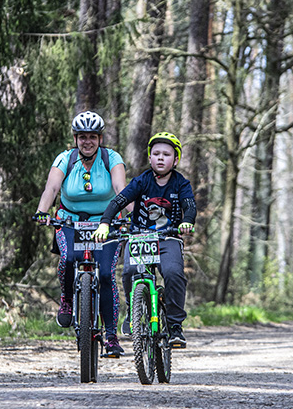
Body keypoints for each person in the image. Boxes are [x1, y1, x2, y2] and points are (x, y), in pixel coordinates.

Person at [35, 111, 128, 358]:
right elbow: (52, 188)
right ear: (75, 138)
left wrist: (132, 215)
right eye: (82, 137)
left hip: (106, 224)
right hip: (70, 221)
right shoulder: (66, 159)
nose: (88, 142)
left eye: (93, 137)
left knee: (107, 274)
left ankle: (111, 336)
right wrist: (42, 211)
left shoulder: (111, 158)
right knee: (67, 259)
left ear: (100, 138)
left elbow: (120, 188)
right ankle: (66, 298)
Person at [92, 132, 196, 349]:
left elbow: (189, 205)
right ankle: (133, 310)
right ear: (149, 157)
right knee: (130, 271)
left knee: (173, 273)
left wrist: (186, 221)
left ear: (175, 159)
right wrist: (104, 223)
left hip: (168, 238)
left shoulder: (181, 183)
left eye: (166, 154)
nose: (160, 158)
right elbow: (119, 200)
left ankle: (175, 326)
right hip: (140, 236)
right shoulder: (142, 181)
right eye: (156, 153)